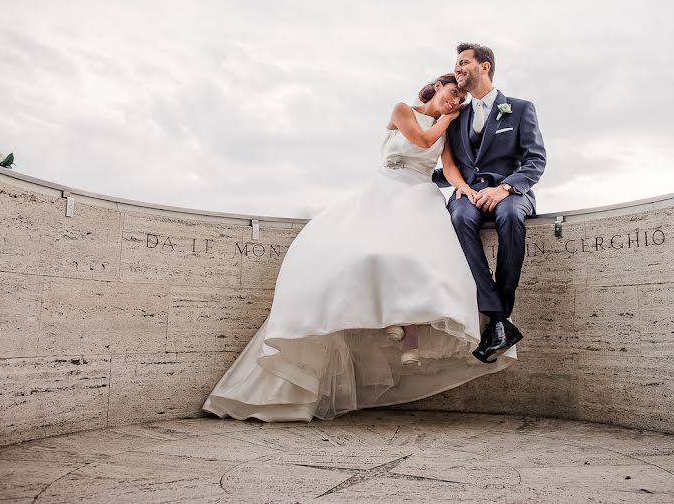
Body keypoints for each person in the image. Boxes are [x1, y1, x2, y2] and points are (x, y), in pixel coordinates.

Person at [204, 73, 516, 422]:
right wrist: (449, 118)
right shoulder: (404, 110)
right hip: (385, 190)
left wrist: (466, 190)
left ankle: (407, 328)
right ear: (437, 87)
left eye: (461, 98)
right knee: (363, 254)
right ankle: (394, 322)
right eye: (453, 92)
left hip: (417, 194)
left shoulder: (447, 128)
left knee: (414, 255)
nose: (456, 100)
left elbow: (449, 167)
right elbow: (420, 137)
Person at [433, 43, 547, 364]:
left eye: (463, 62)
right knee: (458, 217)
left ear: (484, 67)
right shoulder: (456, 117)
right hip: (468, 194)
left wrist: (507, 188)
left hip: (510, 194)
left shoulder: (520, 108)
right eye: (456, 63)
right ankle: (498, 319)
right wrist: (412, 177)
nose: (457, 68)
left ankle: (499, 317)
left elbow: (535, 160)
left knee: (511, 216)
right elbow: (450, 168)